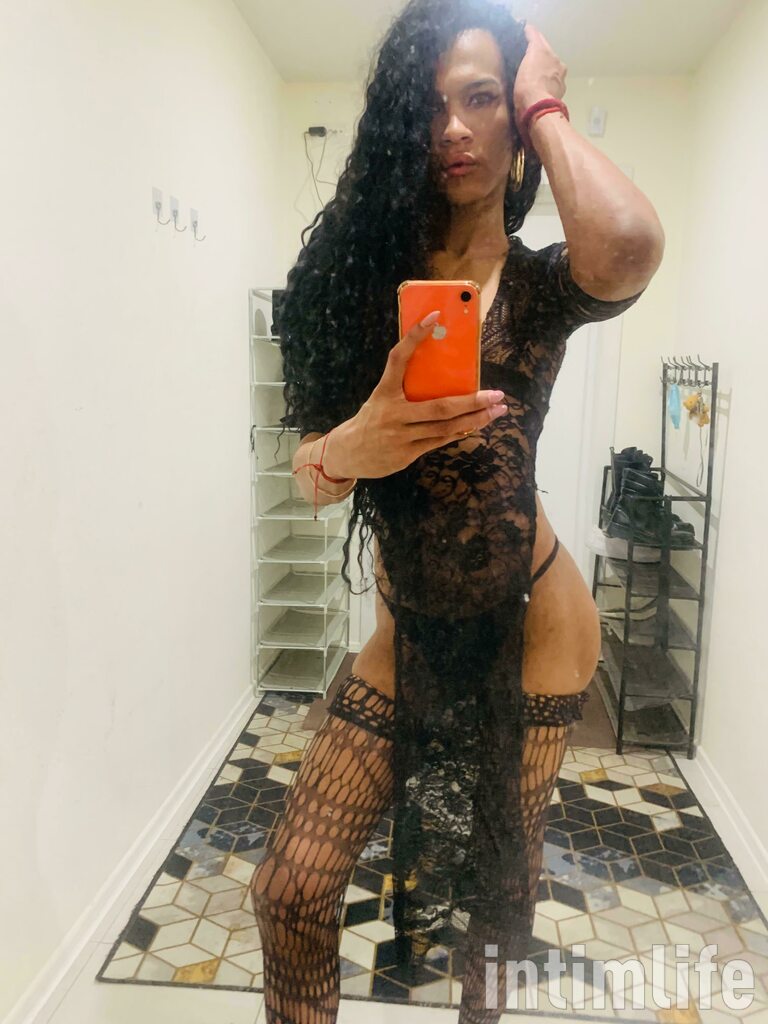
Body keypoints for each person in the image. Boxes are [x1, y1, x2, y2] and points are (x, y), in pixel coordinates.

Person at [250, 1, 664, 1020]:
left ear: (514, 122)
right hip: (410, 628)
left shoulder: (541, 285)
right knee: (290, 889)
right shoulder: (356, 283)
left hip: (536, 624)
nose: (452, 128)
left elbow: (628, 246)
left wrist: (546, 105)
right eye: (429, 106)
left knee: (497, 898)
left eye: (482, 100)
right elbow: (309, 473)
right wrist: (354, 446)